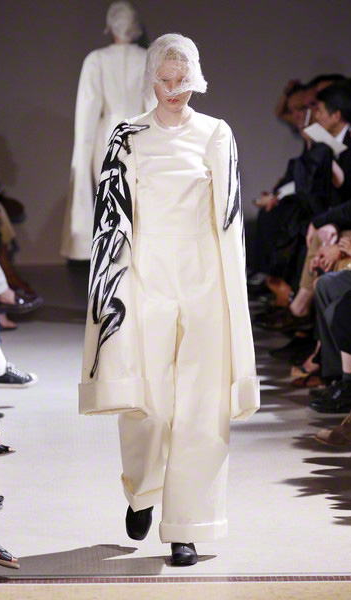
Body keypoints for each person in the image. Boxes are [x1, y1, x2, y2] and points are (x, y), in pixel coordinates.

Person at [79, 33, 259, 566]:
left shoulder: (216, 133)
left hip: (205, 281)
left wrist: (234, 296)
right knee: (148, 405)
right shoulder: (127, 136)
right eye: (165, 79)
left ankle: (187, 526)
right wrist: (110, 292)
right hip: (146, 279)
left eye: (183, 79)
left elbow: (230, 219)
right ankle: (141, 490)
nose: (175, 89)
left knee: (203, 409)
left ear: (196, 77)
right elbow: (112, 220)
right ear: (151, 79)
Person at [61, 0, 155, 261]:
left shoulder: (97, 60)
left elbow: (87, 112)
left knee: (111, 203)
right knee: (137, 203)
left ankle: (112, 263)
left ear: (110, 26)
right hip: (140, 135)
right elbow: (153, 106)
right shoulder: (147, 58)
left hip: (107, 138)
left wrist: (82, 154)